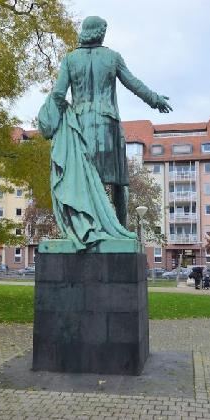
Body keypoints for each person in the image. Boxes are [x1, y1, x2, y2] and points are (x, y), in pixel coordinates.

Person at [39, 16, 171, 248]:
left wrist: (57, 120)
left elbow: (58, 94)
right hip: (107, 124)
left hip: (80, 126)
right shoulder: (112, 57)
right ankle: (121, 231)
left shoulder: (70, 59)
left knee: (85, 179)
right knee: (118, 182)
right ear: (100, 32)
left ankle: (87, 225)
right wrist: (155, 99)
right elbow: (133, 83)